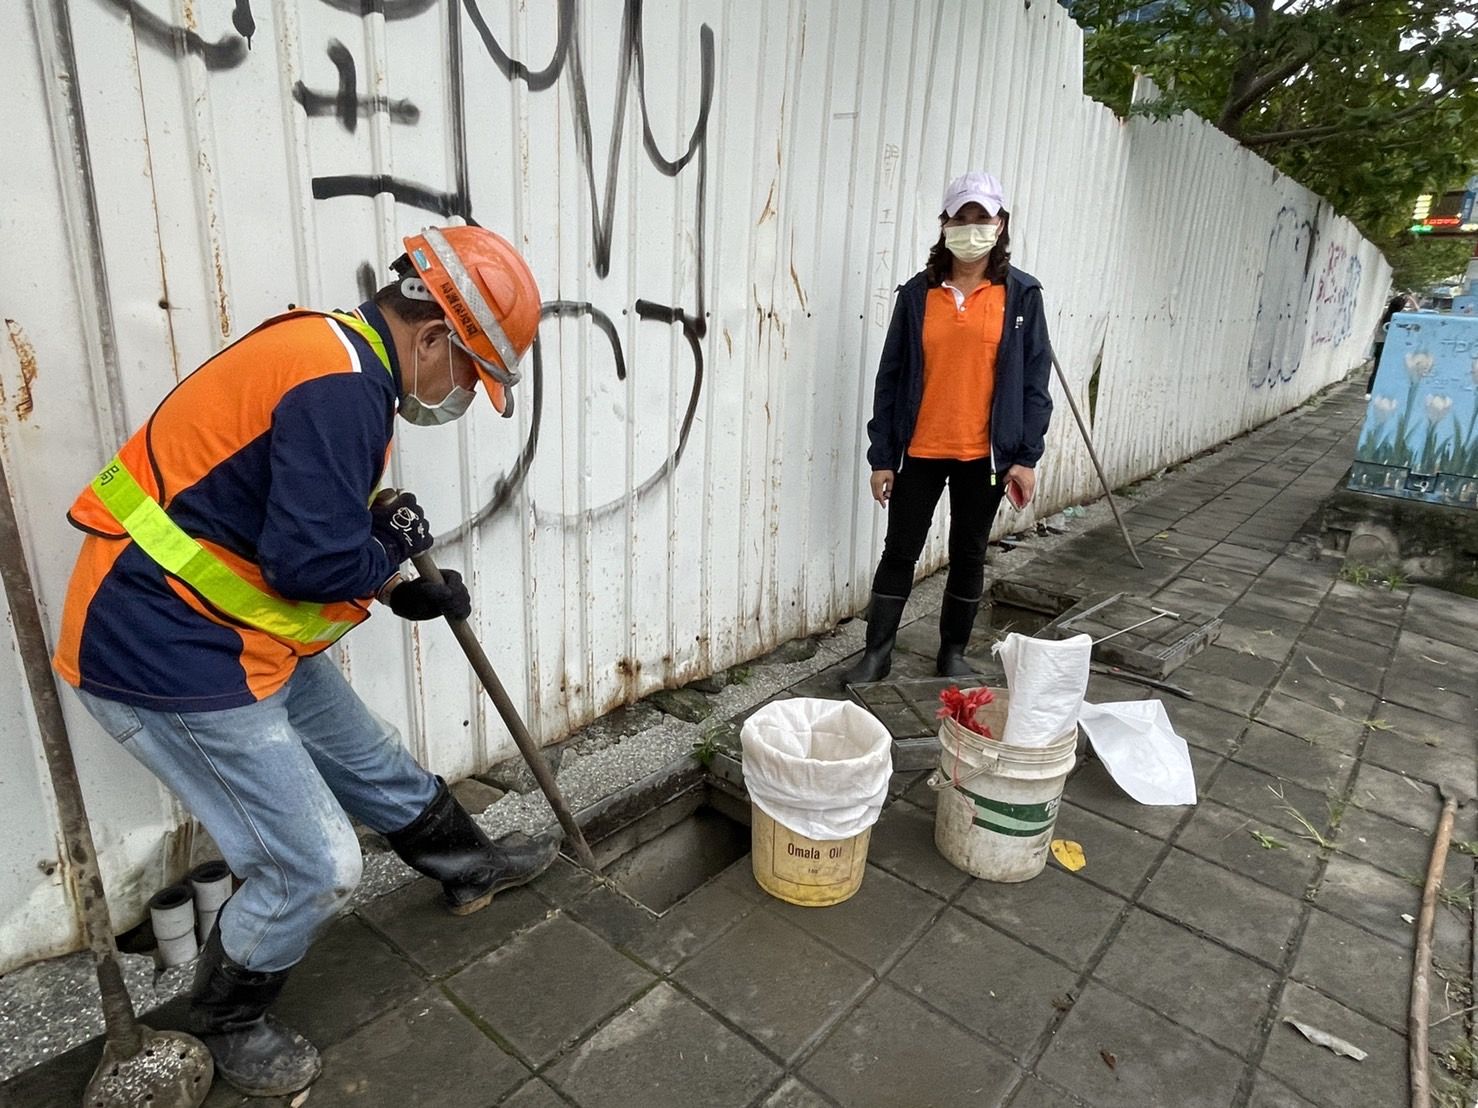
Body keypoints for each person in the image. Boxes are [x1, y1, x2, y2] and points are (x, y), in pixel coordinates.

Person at [52, 225, 560, 1097]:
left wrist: (399, 584)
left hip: (231, 629)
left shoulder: (340, 360)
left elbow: (289, 531)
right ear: (434, 335)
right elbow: (311, 563)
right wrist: (385, 555)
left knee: (368, 757)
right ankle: (226, 1017)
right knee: (316, 866)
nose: (464, 394)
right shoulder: (341, 386)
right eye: (472, 374)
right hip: (160, 649)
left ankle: (468, 868)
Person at [843, 172, 1053, 685]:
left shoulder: (1021, 296)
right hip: (920, 450)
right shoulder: (918, 294)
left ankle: (952, 652)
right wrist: (882, 457)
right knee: (900, 551)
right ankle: (877, 653)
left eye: (982, 218)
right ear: (945, 225)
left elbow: (1034, 382)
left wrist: (1025, 456)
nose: (972, 228)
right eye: (962, 218)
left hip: (985, 455)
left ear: (1000, 225)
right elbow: (890, 377)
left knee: (969, 553)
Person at [1365, 291, 1413, 396]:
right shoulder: (1401, 317)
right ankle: (1384, 391)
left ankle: (1369, 391)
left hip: (1380, 344)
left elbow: (1377, 330)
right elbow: (1418, 312)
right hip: (1392, 346)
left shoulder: (1385, 313)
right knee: (1391, 369)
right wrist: (1412, 300)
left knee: (1376, 369)